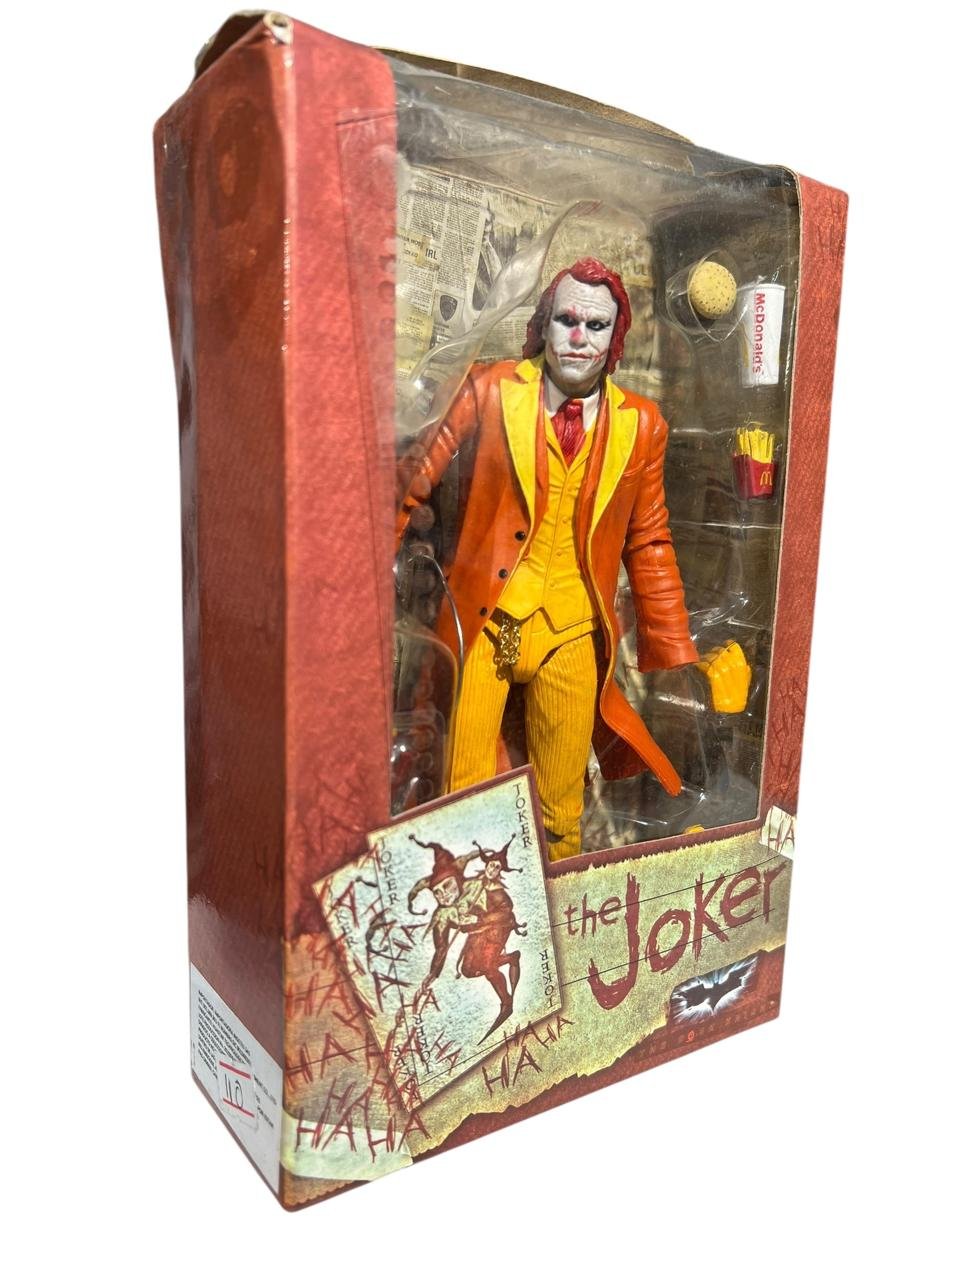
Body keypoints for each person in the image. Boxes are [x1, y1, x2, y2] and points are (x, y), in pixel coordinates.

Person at [397, 258, 746, 859]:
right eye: (567, 320)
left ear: (616, 338)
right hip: (487, 619)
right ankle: (459, 894)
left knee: (560, 805)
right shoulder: (489, 389)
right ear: (544, 323)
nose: (580, 337)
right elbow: (413, 479)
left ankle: (557, 898)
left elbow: (649, 538)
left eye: (597, 325)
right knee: (461, 789)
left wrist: (672, 645)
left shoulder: (642, 425)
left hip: (573, 632)